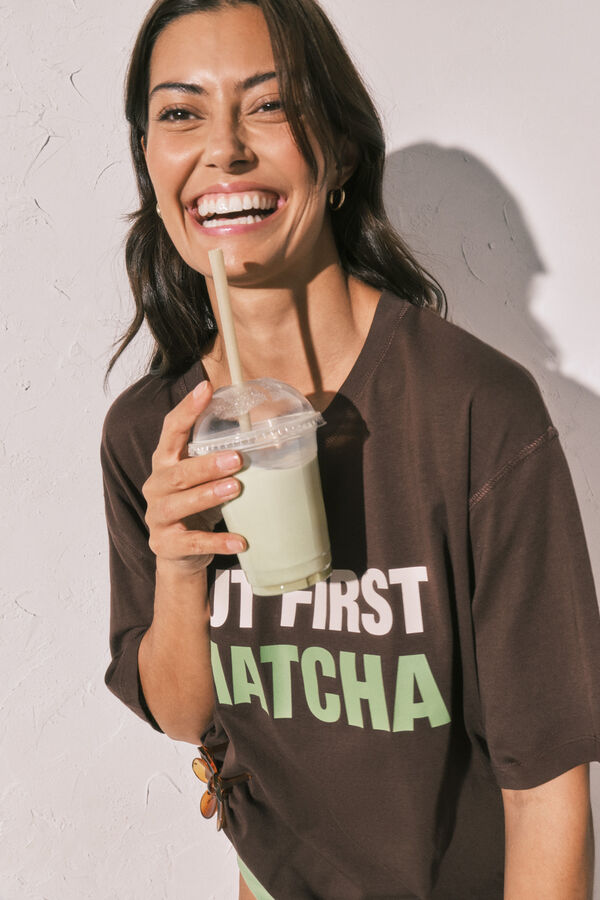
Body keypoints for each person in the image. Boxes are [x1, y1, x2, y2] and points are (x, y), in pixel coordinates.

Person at [101, 0, 600, 897]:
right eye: (180, 113)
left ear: (335, 148)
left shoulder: (472, 410)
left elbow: (546, 790)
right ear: (149, 157)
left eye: (268, 104)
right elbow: (182, 714)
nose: (223, 149)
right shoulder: (151, 433)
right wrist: (177, 569)